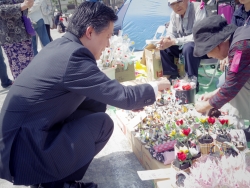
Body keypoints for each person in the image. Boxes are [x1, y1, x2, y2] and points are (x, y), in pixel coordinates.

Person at [0, 2, 170, 188]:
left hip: (22, 141)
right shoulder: (74, 57)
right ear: (89, 32)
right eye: (107, 37)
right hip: (23, 153)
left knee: (95, 103)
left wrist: (123, 100)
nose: (107, 45)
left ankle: (54, 174)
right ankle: (56, 184)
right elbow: (123, 96)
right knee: (103, 124)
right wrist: (155, 86)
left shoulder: (62, 45)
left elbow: (102, 93)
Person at [193, 15, 250, 125]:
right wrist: (212, 94)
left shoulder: (240, 48)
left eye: (207, 50)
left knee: (240, 89)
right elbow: (233, 80)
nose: (209, 56)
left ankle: (242, 124)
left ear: (217, 44)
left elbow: (232, 87)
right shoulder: (238, 39)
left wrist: (206, 105)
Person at [158, 0, 208, 92]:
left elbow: (198, 36)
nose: (177, 6)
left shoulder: (198, 8)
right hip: (183, 47)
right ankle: (172, 76)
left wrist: (175, 41)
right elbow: (171, 33)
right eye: (173, 4)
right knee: (164, 46)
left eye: (179, 1)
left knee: (189, 47)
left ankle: (192, 81)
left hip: (200, 48)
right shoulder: (174, 14)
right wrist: (167, 40)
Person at [0, 0, 34, 80]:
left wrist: (28, 4)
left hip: (25, 33)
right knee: (20, 72)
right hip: (12, 37)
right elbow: (1, 10)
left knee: (30, 68)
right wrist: (21, 6)